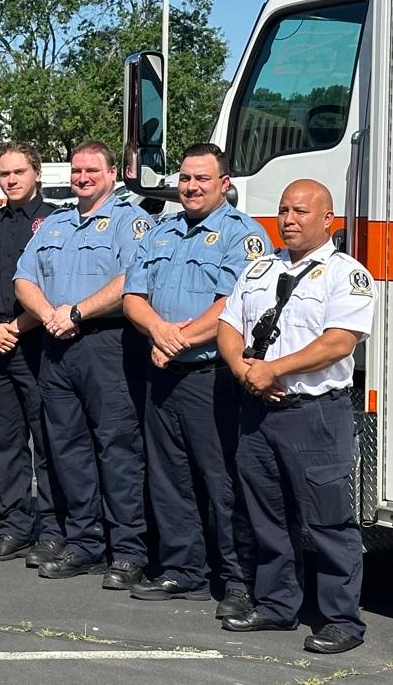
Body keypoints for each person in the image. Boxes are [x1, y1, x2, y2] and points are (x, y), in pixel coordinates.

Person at [218, 179, 373, 654]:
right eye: (284, 209)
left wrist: (274, 370)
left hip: (315, 415)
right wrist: (246, 372)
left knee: (328, 522)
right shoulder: (260, 268)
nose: (289, 219)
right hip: (259, 412)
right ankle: (276, 605)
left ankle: (341, 620)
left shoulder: (346, 274)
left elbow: (339, 341)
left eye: (301, 211)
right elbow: (229, 324)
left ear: (327, 219)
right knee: (267, 516)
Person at [123, 143, 266, 616]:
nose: (191, 187)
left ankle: (238, 581)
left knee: (222, 482)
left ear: (225, 184)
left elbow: (234, 305)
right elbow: (132, 297)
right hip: (163, 374)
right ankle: (184, 571)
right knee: (169, 478)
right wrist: (159, 333)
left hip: (212, 375)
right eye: (185, 178)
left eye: (202, 179)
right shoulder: (162, 231)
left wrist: (174, 340)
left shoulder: (241, 235)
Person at [14, 141, 152, 586]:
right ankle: (84, 543)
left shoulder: (130, 222)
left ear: (113, 173)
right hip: (57, 345)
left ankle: (128, 550)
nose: (82, 177)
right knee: (67, 450)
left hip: (107, 345)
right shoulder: (54, 223)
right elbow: (24, 278)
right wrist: (50, 314)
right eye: (76, 170)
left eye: (92, 170)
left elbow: (133, 277)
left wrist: (78, 311)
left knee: (117, 449)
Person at [0, 141, 66, 566]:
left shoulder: (57, 223)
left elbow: (58, 287)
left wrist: (19, 326)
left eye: (19, 172)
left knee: (47, 442)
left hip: (38, 344)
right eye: (4, 174)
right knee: (5, 445)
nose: (11, 180)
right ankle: (16, 527)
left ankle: (54, 529)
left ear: (36, 174)